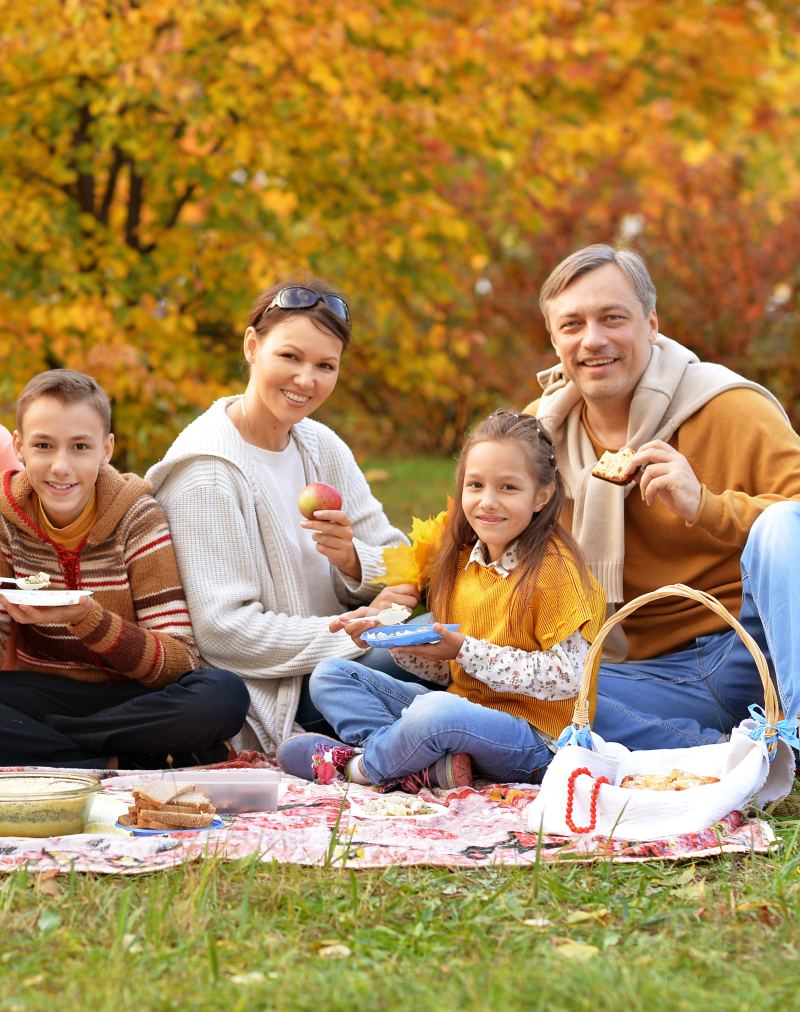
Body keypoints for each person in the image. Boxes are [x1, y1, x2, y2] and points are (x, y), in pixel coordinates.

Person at [525, 243, 800, 750]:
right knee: (507, 691)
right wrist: (400, 587)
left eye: (613, 318)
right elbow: (482, 534)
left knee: (787, 522)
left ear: (651, 324)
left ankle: (789, 734)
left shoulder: (729, 407)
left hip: (741, 649)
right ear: (554, 338)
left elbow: (794, 533)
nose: (593, 340)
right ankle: (718, 751)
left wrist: (706, 506)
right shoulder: (540, 434)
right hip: (631, 667)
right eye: (572, 325)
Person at [146, 280, 418, 754]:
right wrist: (354, 631)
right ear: (252, 346)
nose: (306, 381)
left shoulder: (319, 445)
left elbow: (404, 561)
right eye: (290, 357)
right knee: (435, 658)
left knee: (455, 634)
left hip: (350, 656)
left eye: (325, 366)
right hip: (282, 691)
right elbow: (224, 631)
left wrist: (356, 564)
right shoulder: (206, 471)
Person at [276, 410, 606, 792]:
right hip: (461, 714)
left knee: (436, 711)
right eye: (476, 485)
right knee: (333, 675)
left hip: (534, 741)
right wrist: (394, 640)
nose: (488, 501)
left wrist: (464, 650)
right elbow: (447, 671)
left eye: (508, 488)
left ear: (542, 495)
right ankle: (424, 768)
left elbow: (569, 678)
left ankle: (360, 768)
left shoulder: (554, 571)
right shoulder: (462, 562)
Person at [0, 369, 250, 769]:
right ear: (20, 446)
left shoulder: (137, 518)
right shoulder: (5, 519)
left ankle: (65, 755)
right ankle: (123, 761)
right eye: (44, 446)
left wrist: (90, 619)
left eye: (80, 447)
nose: (61, 467)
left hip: (133, 696)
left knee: (222, 696)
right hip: (46, 691)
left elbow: (179, 662)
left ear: (106, 449)